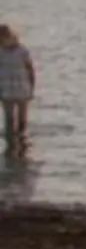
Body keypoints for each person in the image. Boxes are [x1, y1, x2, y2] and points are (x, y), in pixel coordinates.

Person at [0, 25, 35, 155]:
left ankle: (22, 143)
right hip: (6, 88)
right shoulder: (0, 52)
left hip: (21, 87)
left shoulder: (22, 51)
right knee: (8, 119)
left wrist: (32, 87)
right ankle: (10, 145)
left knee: (22, 119)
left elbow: (30, 69)